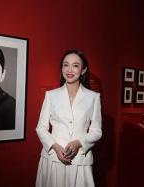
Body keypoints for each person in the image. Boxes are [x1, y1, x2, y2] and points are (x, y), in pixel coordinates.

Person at [35, 49, 102, 187]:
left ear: (83, 70)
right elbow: (41, 128)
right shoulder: (51, 95)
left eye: (75, 65)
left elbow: (97, 131)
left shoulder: (93, 97)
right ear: (61, 68)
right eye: (66, 65)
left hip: (80, 161)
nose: (70, 69)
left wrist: (78, 143)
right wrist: (55, 146)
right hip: (53, 159)